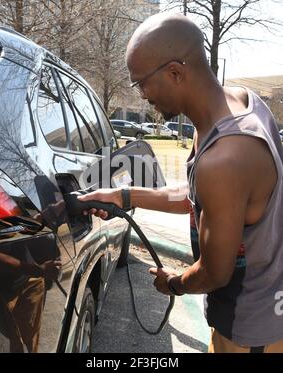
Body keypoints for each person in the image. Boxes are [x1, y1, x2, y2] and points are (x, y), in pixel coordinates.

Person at [77, 13, 283, 353]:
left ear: (175, 72)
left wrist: (173, 283)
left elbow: (215, 273)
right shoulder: (238, 104)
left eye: (141, 83)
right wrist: (123, 195)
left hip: (250, 330)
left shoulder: (225, 158)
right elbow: (199, 196)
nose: (142, 96)